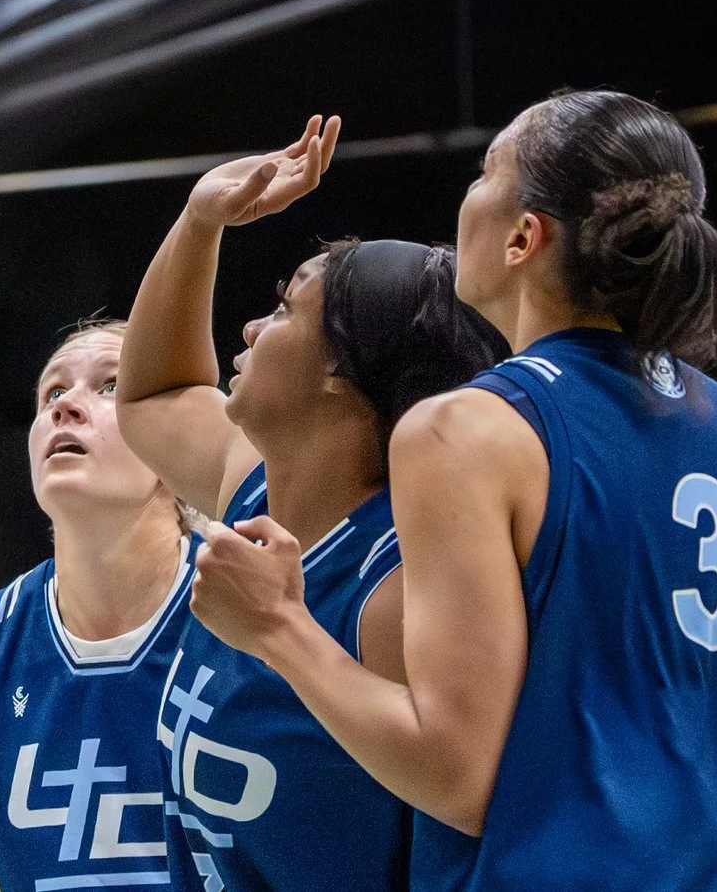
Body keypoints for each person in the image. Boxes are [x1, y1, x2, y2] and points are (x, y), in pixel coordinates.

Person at [188, 89, 717, 891]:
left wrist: (278, 626)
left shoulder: (466, 429)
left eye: (484, 170)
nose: (467, 192)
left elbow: (455, 778)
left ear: (525, 236)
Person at [114, 114, 507, 892]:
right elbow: (154, 392)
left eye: (286, 307)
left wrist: (281, 630)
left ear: (338, 367)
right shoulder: (252, 481)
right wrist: (201, 220)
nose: (253, 326)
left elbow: (467, 795)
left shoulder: (392, 588)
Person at [0, 324, 198, 892]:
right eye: (52, 393)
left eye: (110, 387)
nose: (67, 406)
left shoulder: (256, 602)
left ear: (177, 437)